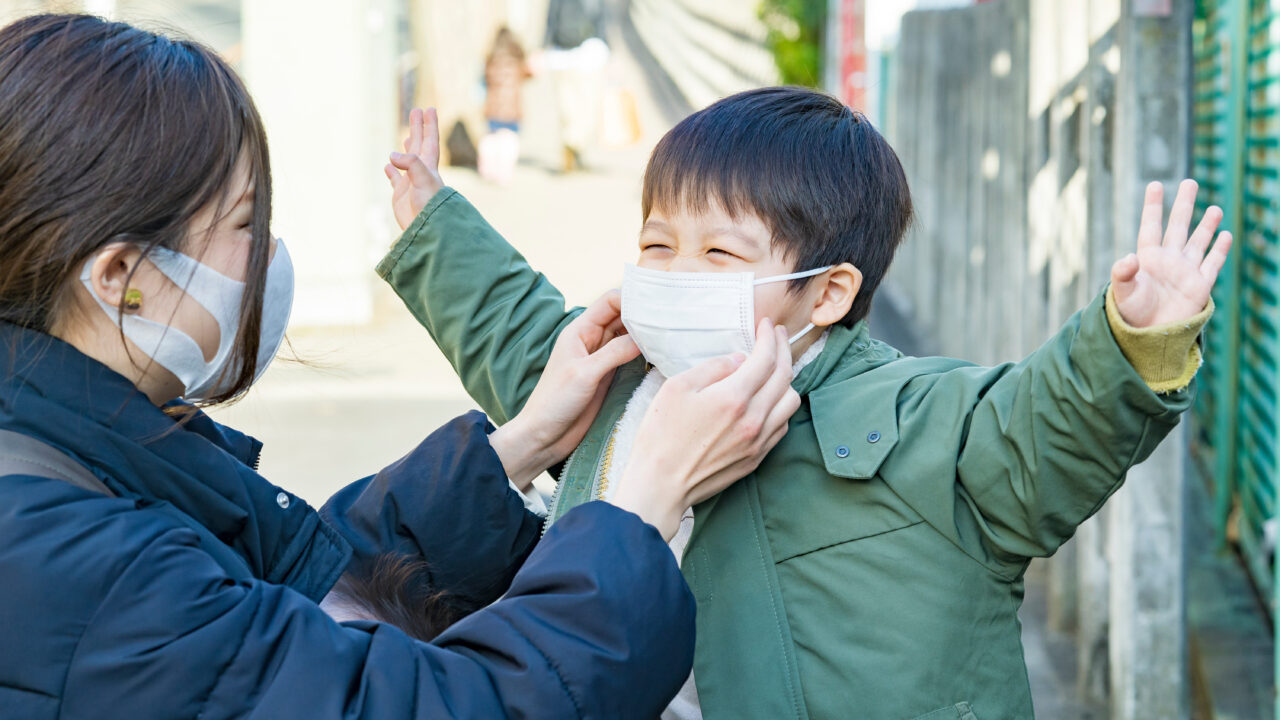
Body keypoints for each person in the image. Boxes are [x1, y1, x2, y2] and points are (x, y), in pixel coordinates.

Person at [0, 15, 801, 720]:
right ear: (119, 278)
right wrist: (643, 501)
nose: (271, 253)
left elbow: (298, 583)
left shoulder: (79, 451)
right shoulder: (73, 562)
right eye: (245, 222)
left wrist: (517, 446)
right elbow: (440, 702)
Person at [380, 88, 1232, 720]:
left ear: (824, 295)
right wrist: (434, 226)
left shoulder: (918, 418)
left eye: (719, 251)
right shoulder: (609, 379)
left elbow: (1048, 426)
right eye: (656, 243)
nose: (674, 275)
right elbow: (518, 327)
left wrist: (1130, 341)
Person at [542, 0, 608, 172]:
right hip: (587, 54)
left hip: (561, 53)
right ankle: (574, 145)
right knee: (587, 104)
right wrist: (608, 49)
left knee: (567, 104)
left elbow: (551, 19)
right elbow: (600, 21)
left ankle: (571, 148)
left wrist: (543, 46)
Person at [478, 26, 530, 185]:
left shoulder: (490, 61)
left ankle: (488, 169)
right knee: (509, 140)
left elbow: (484, 80)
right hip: (512, 109)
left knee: (492, 138)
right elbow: (528, 74)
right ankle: (505, 172)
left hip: (493, 107)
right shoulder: (518, 60)